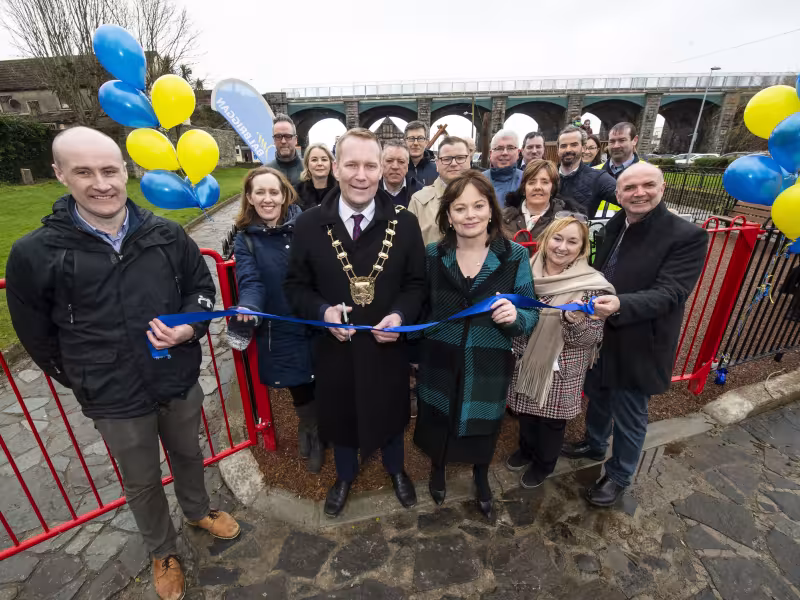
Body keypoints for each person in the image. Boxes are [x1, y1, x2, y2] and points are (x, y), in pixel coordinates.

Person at [5, 127, 240, 600]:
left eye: (109, 170)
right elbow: (36, 335)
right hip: (113, 396)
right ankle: (162, 550)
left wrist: (189, 328)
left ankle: (197, 509)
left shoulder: (166, 234)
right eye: (84, 172)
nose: (101, 183)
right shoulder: (35, 254)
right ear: (60, 175)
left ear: (125, 169)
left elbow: (201, 289)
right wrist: (83, 379)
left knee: (189, 454)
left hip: (174, 378)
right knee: (141, 479)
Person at [284, 128, 426, 518]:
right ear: (335, 167)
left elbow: (416, 284)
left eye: (369, 165)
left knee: (393, 409)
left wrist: (399, 316)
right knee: (341, 412)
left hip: (387, 346)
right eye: (351, 164)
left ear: (382, 169)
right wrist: (321, 312)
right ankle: (344, 475)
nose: (360, 175)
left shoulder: (405, 223)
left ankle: (396, 469)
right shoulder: (310, 224)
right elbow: (295, 286)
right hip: (334, 348)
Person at [562, 163, 708, 506]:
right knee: (598, 390)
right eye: (629, 188)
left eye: (647, 185)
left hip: (642, 336)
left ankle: (619, 474)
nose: (638, 193)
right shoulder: (616, 224)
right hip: (604, 329)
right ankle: (595, 442)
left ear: (662, 188)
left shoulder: (686, 235)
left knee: (629, 410)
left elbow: (671, 293)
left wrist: (620, 304)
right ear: (618, 194)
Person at [413, 170, 538, 518]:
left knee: (483, 422)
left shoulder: (513, 256)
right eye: (460, 207)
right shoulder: (433, 256)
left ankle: (480, 476)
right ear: (448, 216)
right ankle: (437, 468)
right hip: (439, 354)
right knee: (438, 417)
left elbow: (530, 314)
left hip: (489, 357)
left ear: (491, 210)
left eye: (478, 205)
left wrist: (514, 317)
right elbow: (420, 307)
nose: (470, 215)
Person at [505, 217, 615, 488]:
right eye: (557, 238)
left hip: (561, 366)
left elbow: (591, 338)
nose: (562, 247)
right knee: (525, 411)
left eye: (572, 241)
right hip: (524, 356)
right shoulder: (525, 271)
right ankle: (527, 450)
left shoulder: (592, 284)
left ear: (582, 248)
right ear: (545, 240)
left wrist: (575, 320)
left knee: (550, 421)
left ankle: (544, 463)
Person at [227, 167, 323, 474]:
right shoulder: (246, 240)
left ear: (284, 196)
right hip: (280, 323)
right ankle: (310, 427)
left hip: (315, 319)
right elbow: (250, 281)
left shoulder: (307, 227)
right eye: (260, 192)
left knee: (323, 377)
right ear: (250, 198)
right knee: (298, 382)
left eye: (273, 192)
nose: (267, 199)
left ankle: (323, 427)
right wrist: (248, 306)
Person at [408, 136, 472, 245]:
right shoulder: (418, 201)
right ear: (437, 164)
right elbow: (408, 245)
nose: (454, 163)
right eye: (447, 159)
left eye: (460, 158)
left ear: (469, 160)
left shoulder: (484, 196)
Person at [502, 159, 580, 242]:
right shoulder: (504, 218)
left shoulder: (566, 220)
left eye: (545, 182)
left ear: (553, 188)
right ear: (524, 189)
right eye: (532, 182)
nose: (538, 187)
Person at [556, 125, 617, 218]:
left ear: (583, 148)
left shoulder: (598, 178)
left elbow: (628, 200)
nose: (568, 149)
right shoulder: (549, 175)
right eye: (563, 146)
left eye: (574, 145)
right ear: (558, 150)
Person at [482, 129, 523, 208]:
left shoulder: (526, 180)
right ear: (491, 154)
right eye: (499, 148)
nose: (505, 153)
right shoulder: (479, 180)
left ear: (518, 153)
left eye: (510, 148)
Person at [378, 139, 421, 208]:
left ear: (407, 165)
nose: (395, 167)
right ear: (381, 163)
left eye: (401, 161)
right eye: (389, 161)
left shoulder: (420, 193)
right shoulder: (370, 192)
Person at [294, 142, 336, 211]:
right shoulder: (297, 193)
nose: (319, 163)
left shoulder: (341, 190)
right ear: (307, 164)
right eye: (314, 160)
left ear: (331, 164)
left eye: (324, 159)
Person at [266, 113, 303, 185]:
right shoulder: (265, 172)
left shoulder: (309, 170)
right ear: (274, 140)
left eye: (288, 136)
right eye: (278, 136)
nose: (283, 141)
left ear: (295, 140)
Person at [404, 120, 438, 186]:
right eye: (411, 138)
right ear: (405, 141)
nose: (416, 143)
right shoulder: (397, 169)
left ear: (427, 142)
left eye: (420, 138)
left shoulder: (437, 170)